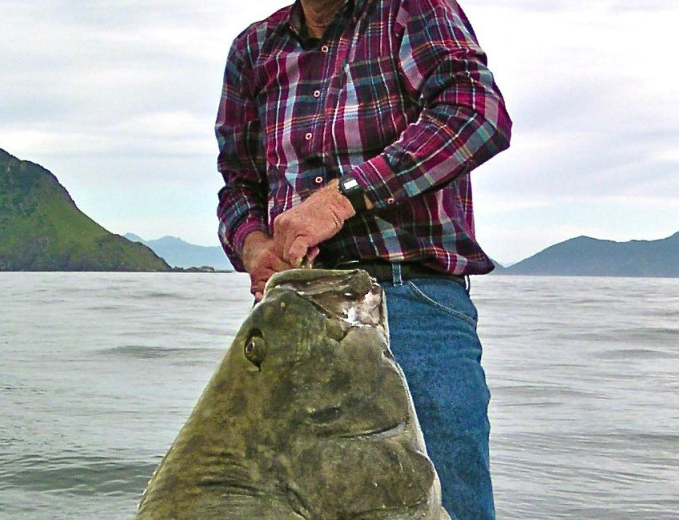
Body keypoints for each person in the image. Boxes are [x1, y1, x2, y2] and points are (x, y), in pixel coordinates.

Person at [215, 0, 512, 518]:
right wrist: (255, 245)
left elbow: (475, 112)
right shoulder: (252, 50)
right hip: (290, 314)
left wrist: (341, 198)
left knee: (449, 502)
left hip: (410, 300)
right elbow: (238, 184)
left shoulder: (409, 9)